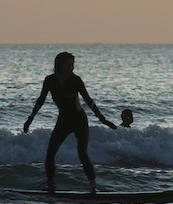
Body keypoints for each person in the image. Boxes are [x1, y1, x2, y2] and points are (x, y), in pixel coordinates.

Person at [23, 52, 117, 193]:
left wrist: (102, 118)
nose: (71, 68)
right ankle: (51, 185)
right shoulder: (50, 80)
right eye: (68, 65)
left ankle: (93, 188)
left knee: (82, 153)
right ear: (59, 65)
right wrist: (30, 119)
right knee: (50, 154)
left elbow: (88, 100)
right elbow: (40, 100)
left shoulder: (76, 80)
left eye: (72, 65)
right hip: (63, 121)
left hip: (79, 120)